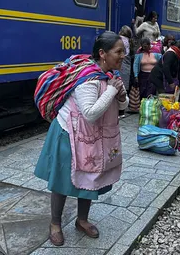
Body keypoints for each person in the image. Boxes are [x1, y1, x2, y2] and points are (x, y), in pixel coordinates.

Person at [34, 31, 128, 246]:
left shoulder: (111, 77)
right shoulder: (89, 79)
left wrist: (120, 96)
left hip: (93, 135)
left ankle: (82, 220)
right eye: (119, 52)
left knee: (91, 177)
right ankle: (55, 224)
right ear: (103, 54)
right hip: (70, 134)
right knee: (63, 181)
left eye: (124, 51)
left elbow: (120, 108)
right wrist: (112, 91)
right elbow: (91, 113)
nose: (123, 56)